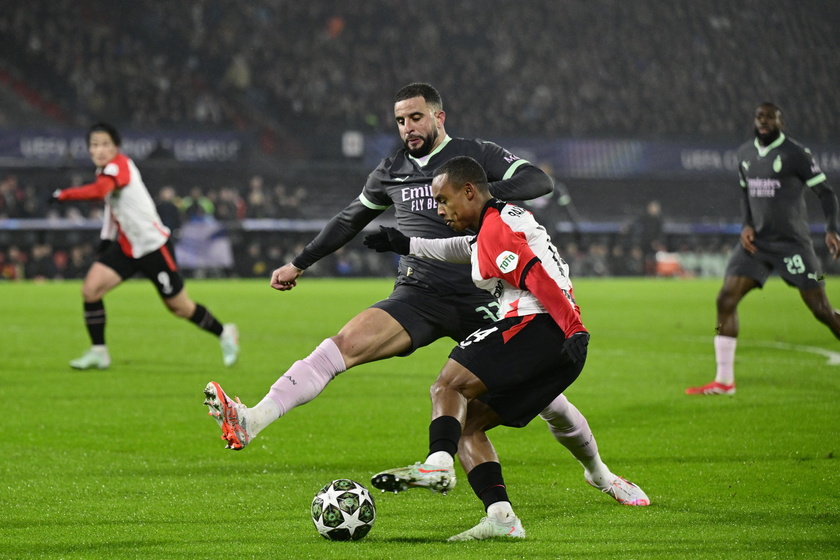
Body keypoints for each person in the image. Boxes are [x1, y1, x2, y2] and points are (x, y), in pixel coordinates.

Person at [203, 84, 647, 509]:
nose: (407, 128)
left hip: (485, 303)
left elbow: (537, 181)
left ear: (439, 116)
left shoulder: (474, 156)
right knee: (343, 345)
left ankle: (600, 474)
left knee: (550, 403)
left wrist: (485, 195)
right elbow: (350, 219)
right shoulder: (391, 169)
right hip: (418, 294)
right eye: (399, 121)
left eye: (416, 117)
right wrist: (300, 262)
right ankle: (252, 419)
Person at [366, 156, 648, 541]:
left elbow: (535, 276)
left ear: (469, 192)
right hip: (556, 341)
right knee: (467, 425)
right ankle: (502, 517)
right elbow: (463, 248)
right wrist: (407, 244)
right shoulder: (497, 221)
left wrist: (573, 327)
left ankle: (436, 463)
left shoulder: (497, 229)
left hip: (537, 326)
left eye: (444, 200)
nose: (439, 209)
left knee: (447, 387)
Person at [52, 122, 239, 370]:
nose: (100, 150)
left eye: (105, 144)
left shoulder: (120, 165)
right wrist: (106, 238)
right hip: (128, 247)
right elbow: (111, 205)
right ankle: (99, 352)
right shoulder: (105, 172)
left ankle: (224, 332)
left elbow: (101, 193)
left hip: (153, 247)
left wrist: (63, 195)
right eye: (94, 145)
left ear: (116, 147)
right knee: (90, 290)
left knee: (180, 307)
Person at [686, 102, 840, 395]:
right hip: (756, 243)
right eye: (760, 117)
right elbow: (746, 194)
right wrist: (746, 224)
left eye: (771, 117)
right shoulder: (744, 154)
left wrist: (833, 228)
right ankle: (724, 381)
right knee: (725, 299)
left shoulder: (796, 153)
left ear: (781, 122)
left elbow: (826, 193)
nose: (764, 121)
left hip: (793, 244)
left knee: (821, 310)